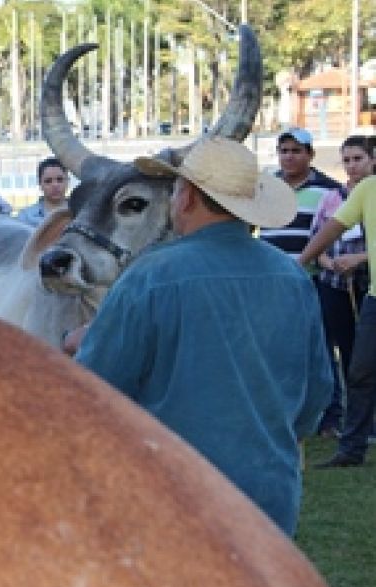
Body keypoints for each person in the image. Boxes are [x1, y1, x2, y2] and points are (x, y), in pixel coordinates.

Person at [73, 137, 331, 536]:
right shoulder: (292, 277)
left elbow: (95, 391)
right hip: (270, 498)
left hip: (172, 499)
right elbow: (316, 394)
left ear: (186, 197)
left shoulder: (151, 277)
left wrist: (82, 344)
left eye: (175, 188)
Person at [299, 140, 376, 469]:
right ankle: (352, 450)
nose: (351, 164)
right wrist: (302, 260)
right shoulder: (368, 189)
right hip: (375, 297)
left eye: (357, 158)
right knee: (359, 372)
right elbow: (333, 227)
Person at [258, 127, 344, 259]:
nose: (289, 157)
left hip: (308, 274)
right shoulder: (265, 187)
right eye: (284, 151)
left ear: (311, 154)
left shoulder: (330, 190)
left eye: (296, 151)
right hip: (270, 271)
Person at [17, 157, 70, 226]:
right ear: (40, 184)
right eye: (48, 181)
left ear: (68, 182)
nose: (55, 185)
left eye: (59, 180)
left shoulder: (79, 214)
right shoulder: (26, 217)